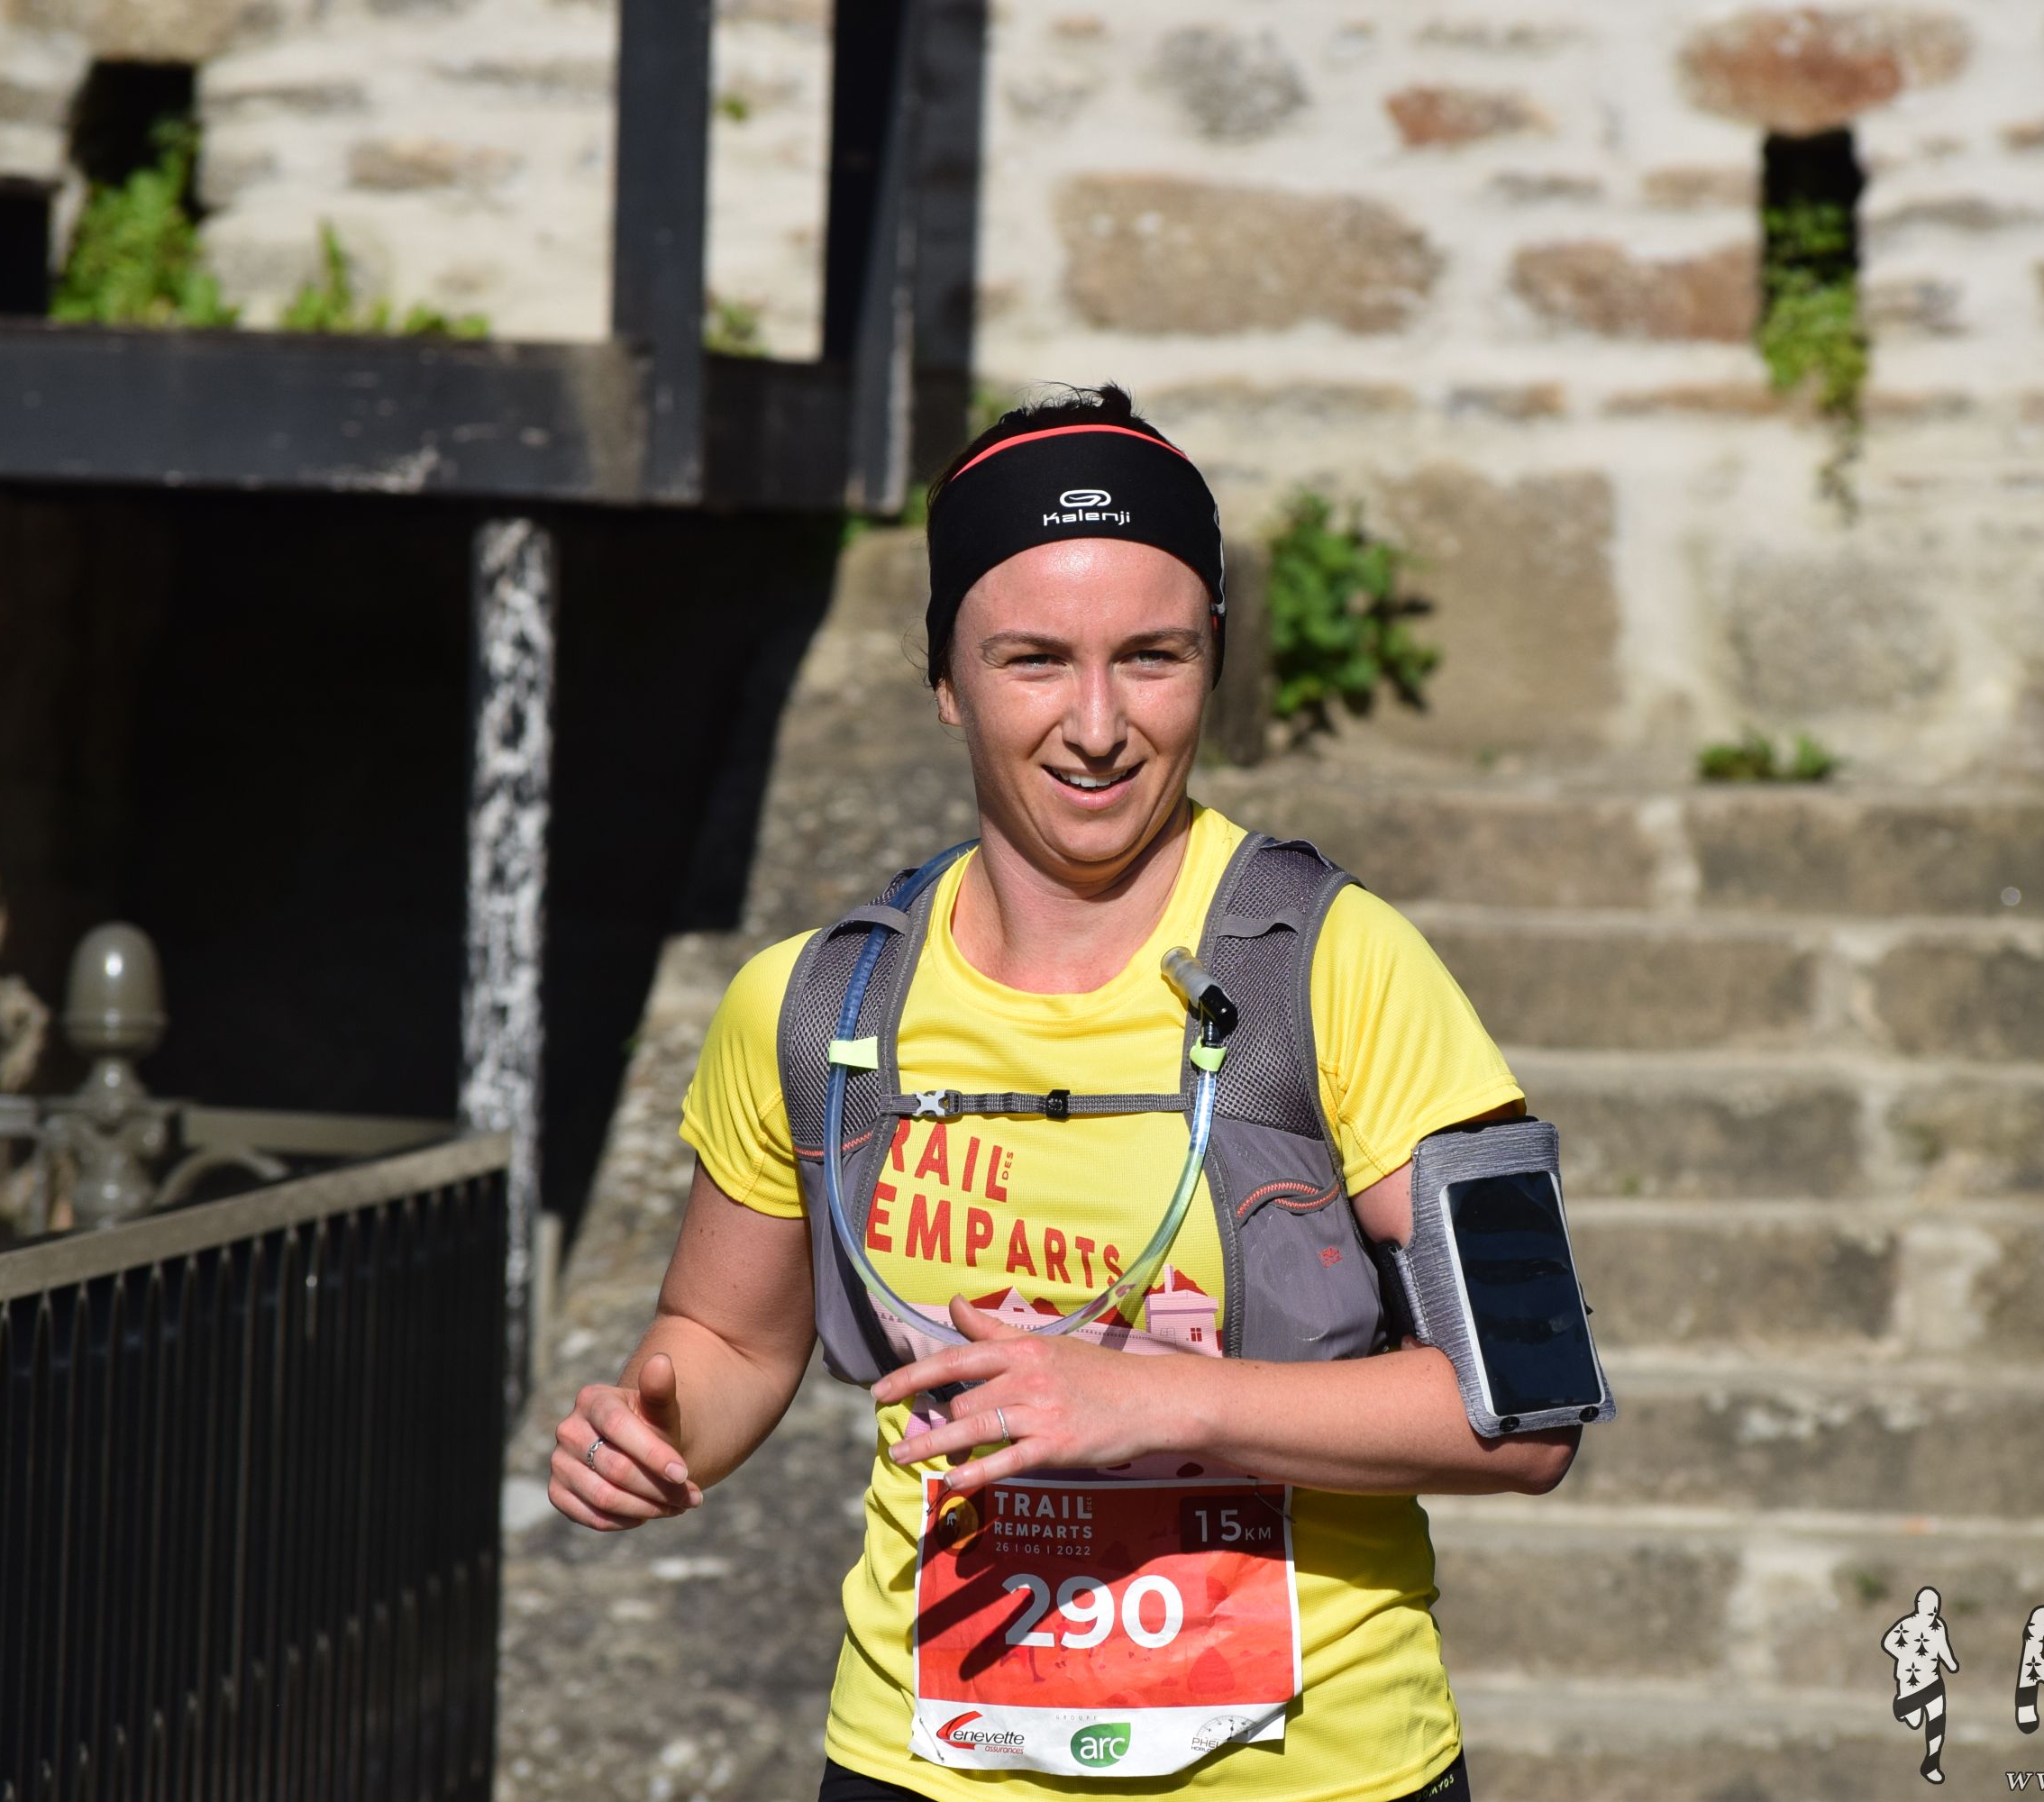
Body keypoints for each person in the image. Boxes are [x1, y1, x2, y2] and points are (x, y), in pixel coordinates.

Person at [547, 384, 1583, 1802]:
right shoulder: (815, 1007)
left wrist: (1160, 1402)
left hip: (1314, 1774)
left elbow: (1526, 1413)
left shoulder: (1343, 967)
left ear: (1213, 662)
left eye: (1151, 657)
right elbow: (725, 1338)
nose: (1097, 726)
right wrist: (657, 1433)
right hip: (925, 1768)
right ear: (945, 679)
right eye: (1033, 660)